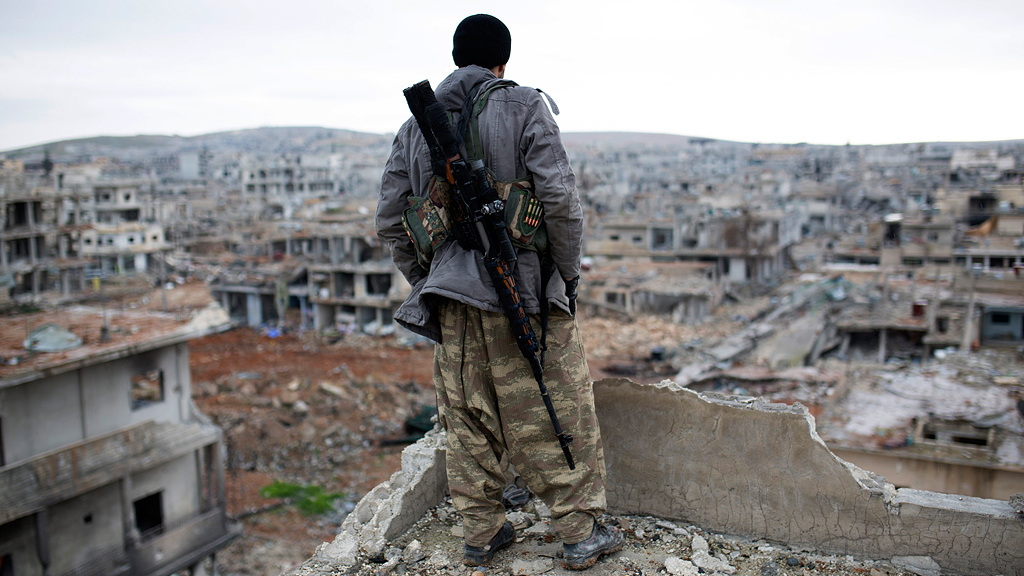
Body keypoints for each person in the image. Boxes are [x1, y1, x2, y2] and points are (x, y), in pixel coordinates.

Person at [375, 13, 622, 570]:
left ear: (457, 57)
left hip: (453, 302)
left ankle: (482, 533)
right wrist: (564, 277)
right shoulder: (526, 105)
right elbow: (559, 201)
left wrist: (431, 279)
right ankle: (579, 532)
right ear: (502, 61)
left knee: (467, 416)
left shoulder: (415, 125)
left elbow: (391, 221)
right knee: (553, 405)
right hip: (523, 295)